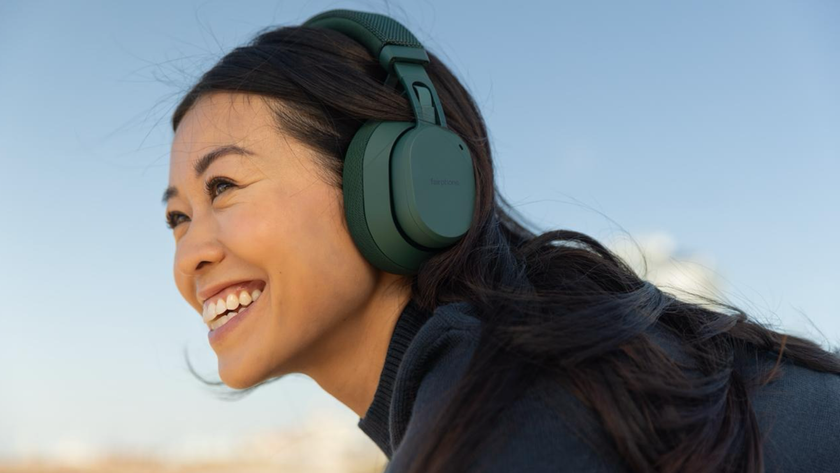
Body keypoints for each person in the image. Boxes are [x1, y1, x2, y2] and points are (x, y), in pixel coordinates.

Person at [161, 9, 840, 473]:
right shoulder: (550, 357)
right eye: (178, 217)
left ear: (402, 184)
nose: (192, 254)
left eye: (223, 186)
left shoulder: (509, 424)